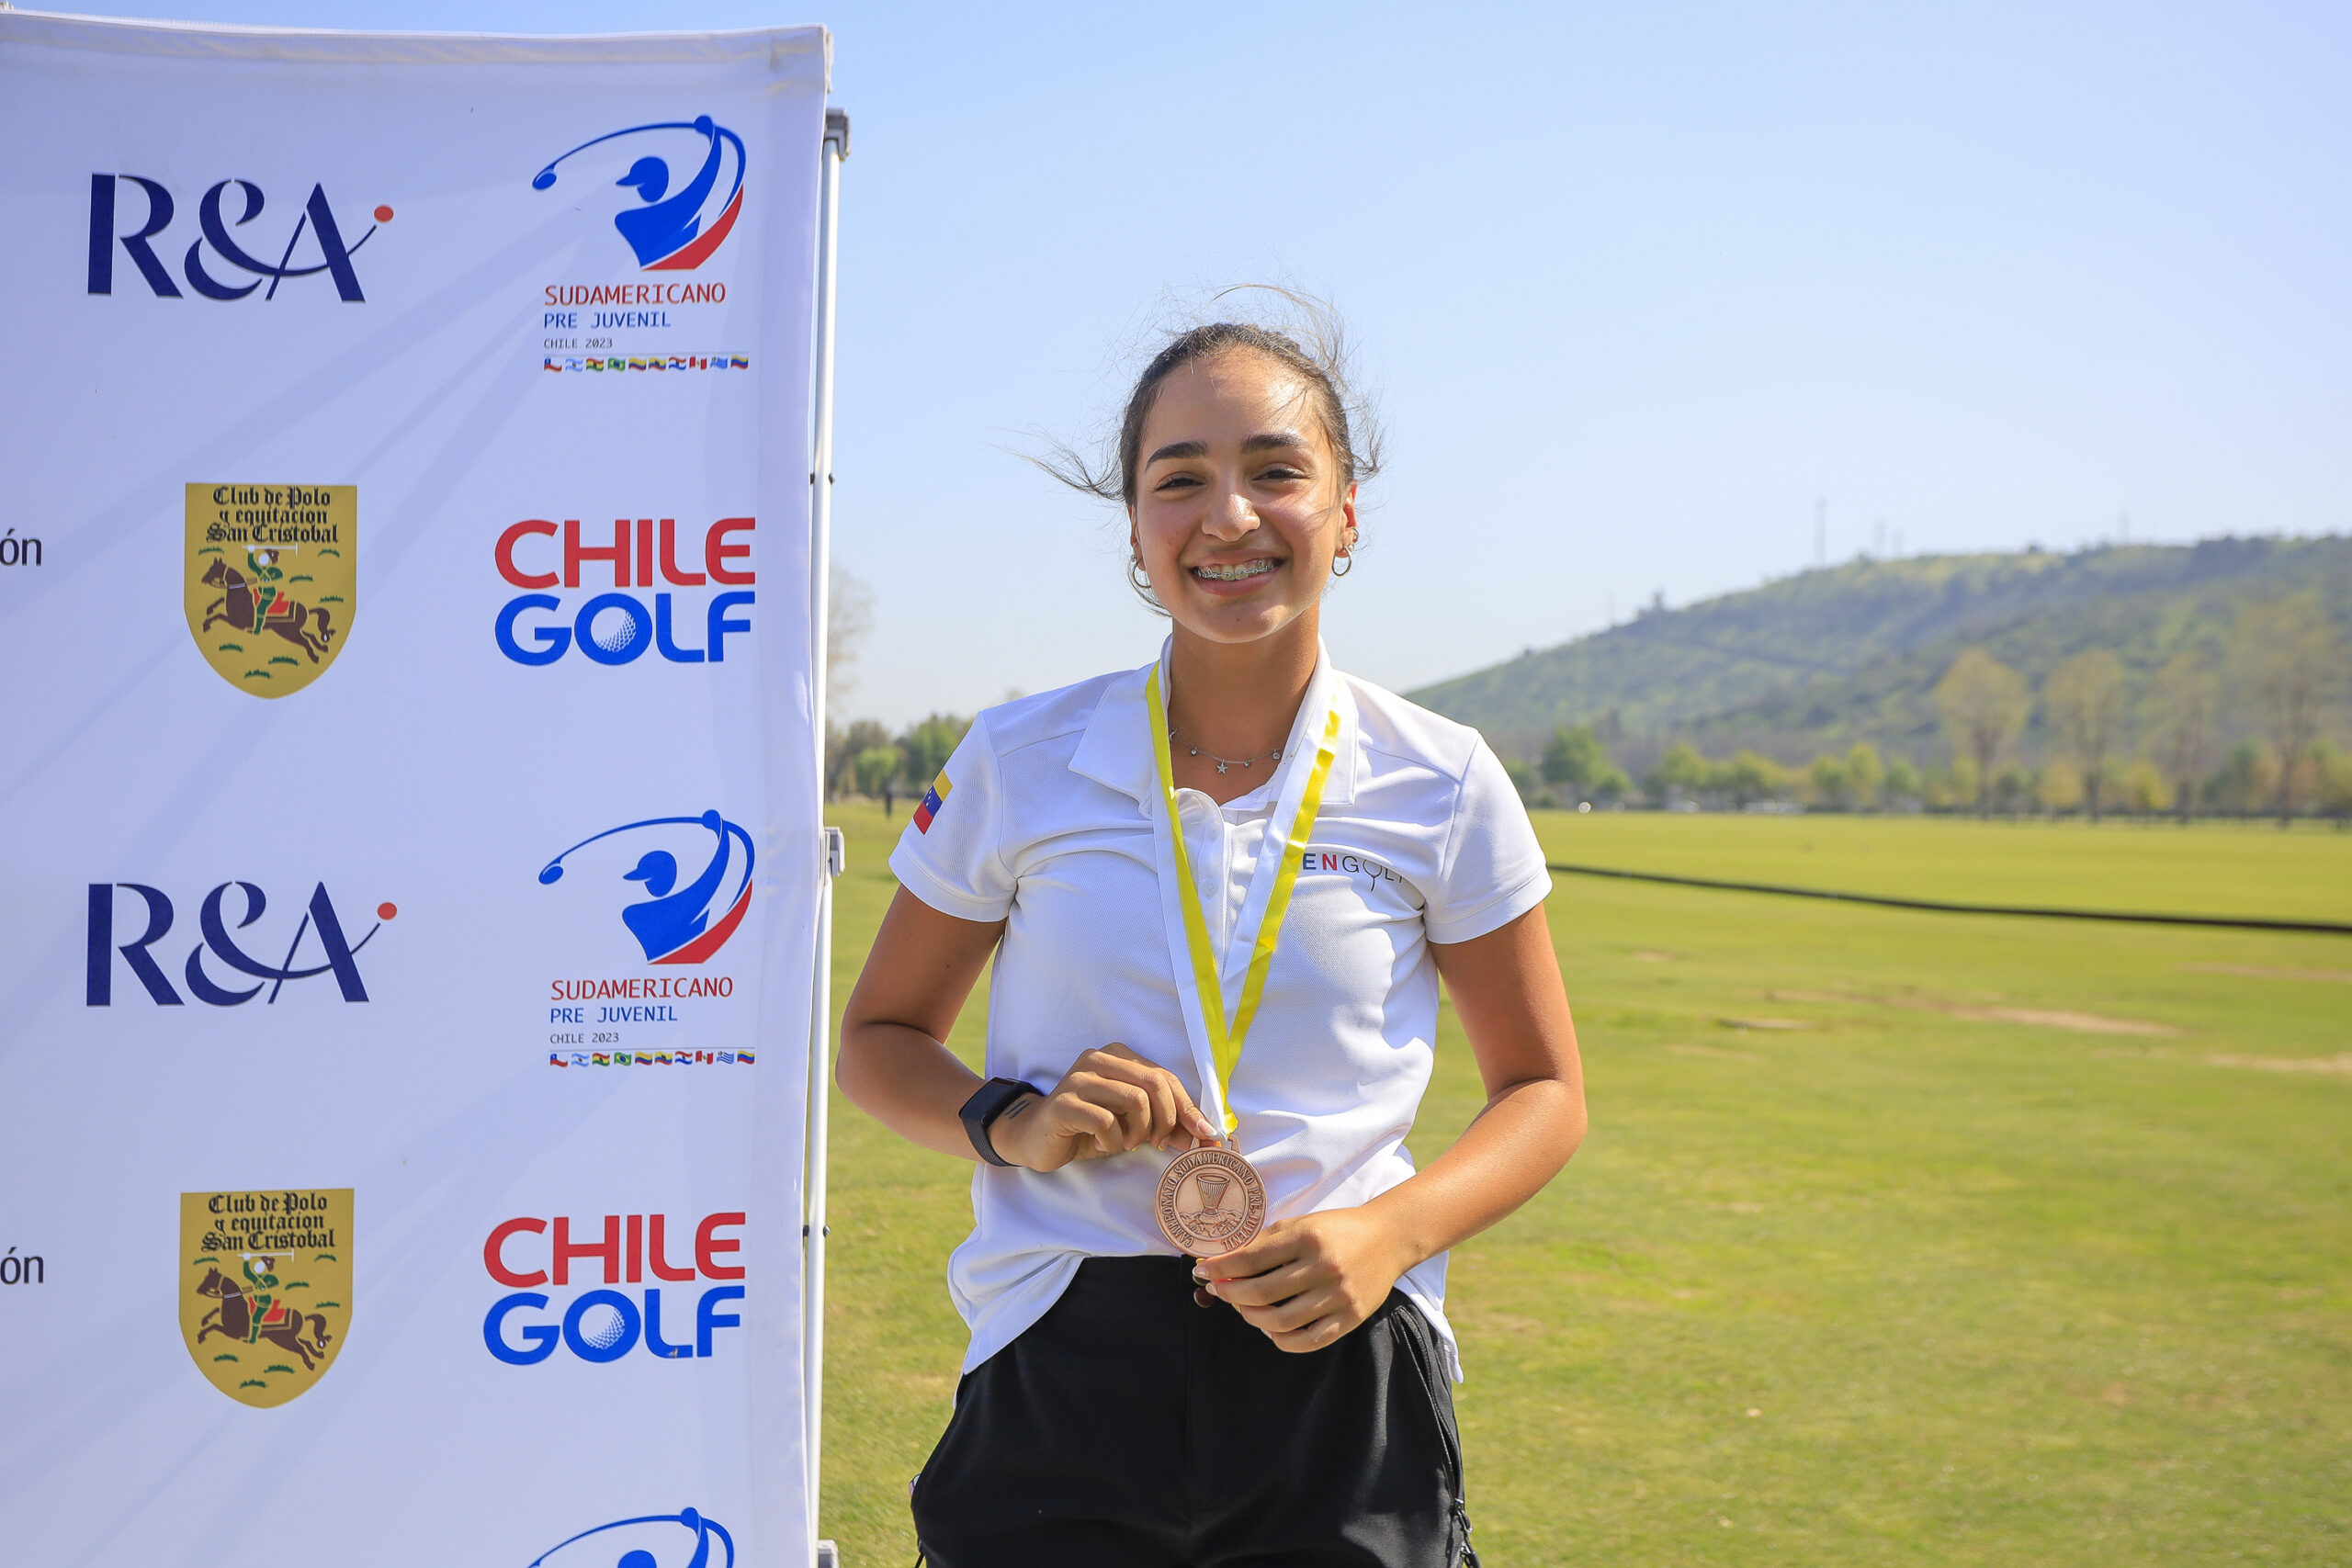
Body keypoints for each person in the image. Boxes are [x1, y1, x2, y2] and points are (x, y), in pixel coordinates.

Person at [839, 310, 1586, 1566]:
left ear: (1347, 511)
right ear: (1136, 531)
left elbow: (1546, 1092)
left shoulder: (1441, 778)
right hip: (1057, 1352)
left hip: (1339, 1349)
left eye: (1277, 471)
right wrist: (1007, 1121)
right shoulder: (1021, 762)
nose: (1228, 514)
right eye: (1178, 479)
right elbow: (878, 1039)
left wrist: (1389, 1236)